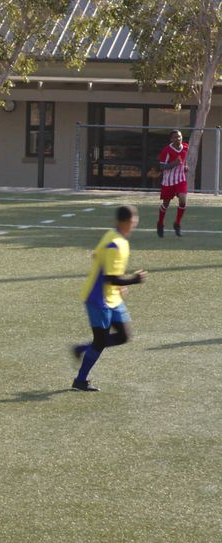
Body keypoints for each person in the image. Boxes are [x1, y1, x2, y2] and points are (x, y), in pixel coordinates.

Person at [71, 205, 147, 392]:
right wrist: (133, 280)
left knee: (123, 336)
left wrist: (119, 284)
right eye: (133, 220)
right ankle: (80, 381)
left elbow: (96, 255)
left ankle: (82, 349)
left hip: (111, 297)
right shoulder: (116, 243)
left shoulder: (112, 237)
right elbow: (109, 277)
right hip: (98, 299)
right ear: (126, 222)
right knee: (100, 341)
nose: (135, 223)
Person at [157, 129, 189, 237]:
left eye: (179, 136)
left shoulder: (185, 147)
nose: (178, 138)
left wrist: (185, 167)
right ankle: (160, 224)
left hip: (181, 180)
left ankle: (177, 224)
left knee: (183, 201)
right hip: (168, 181)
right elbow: (162, 167)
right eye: (175, 137)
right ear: (171, 139)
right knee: (166, 204)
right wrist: (174, 164)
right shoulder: (166, 150)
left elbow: (184, 159)